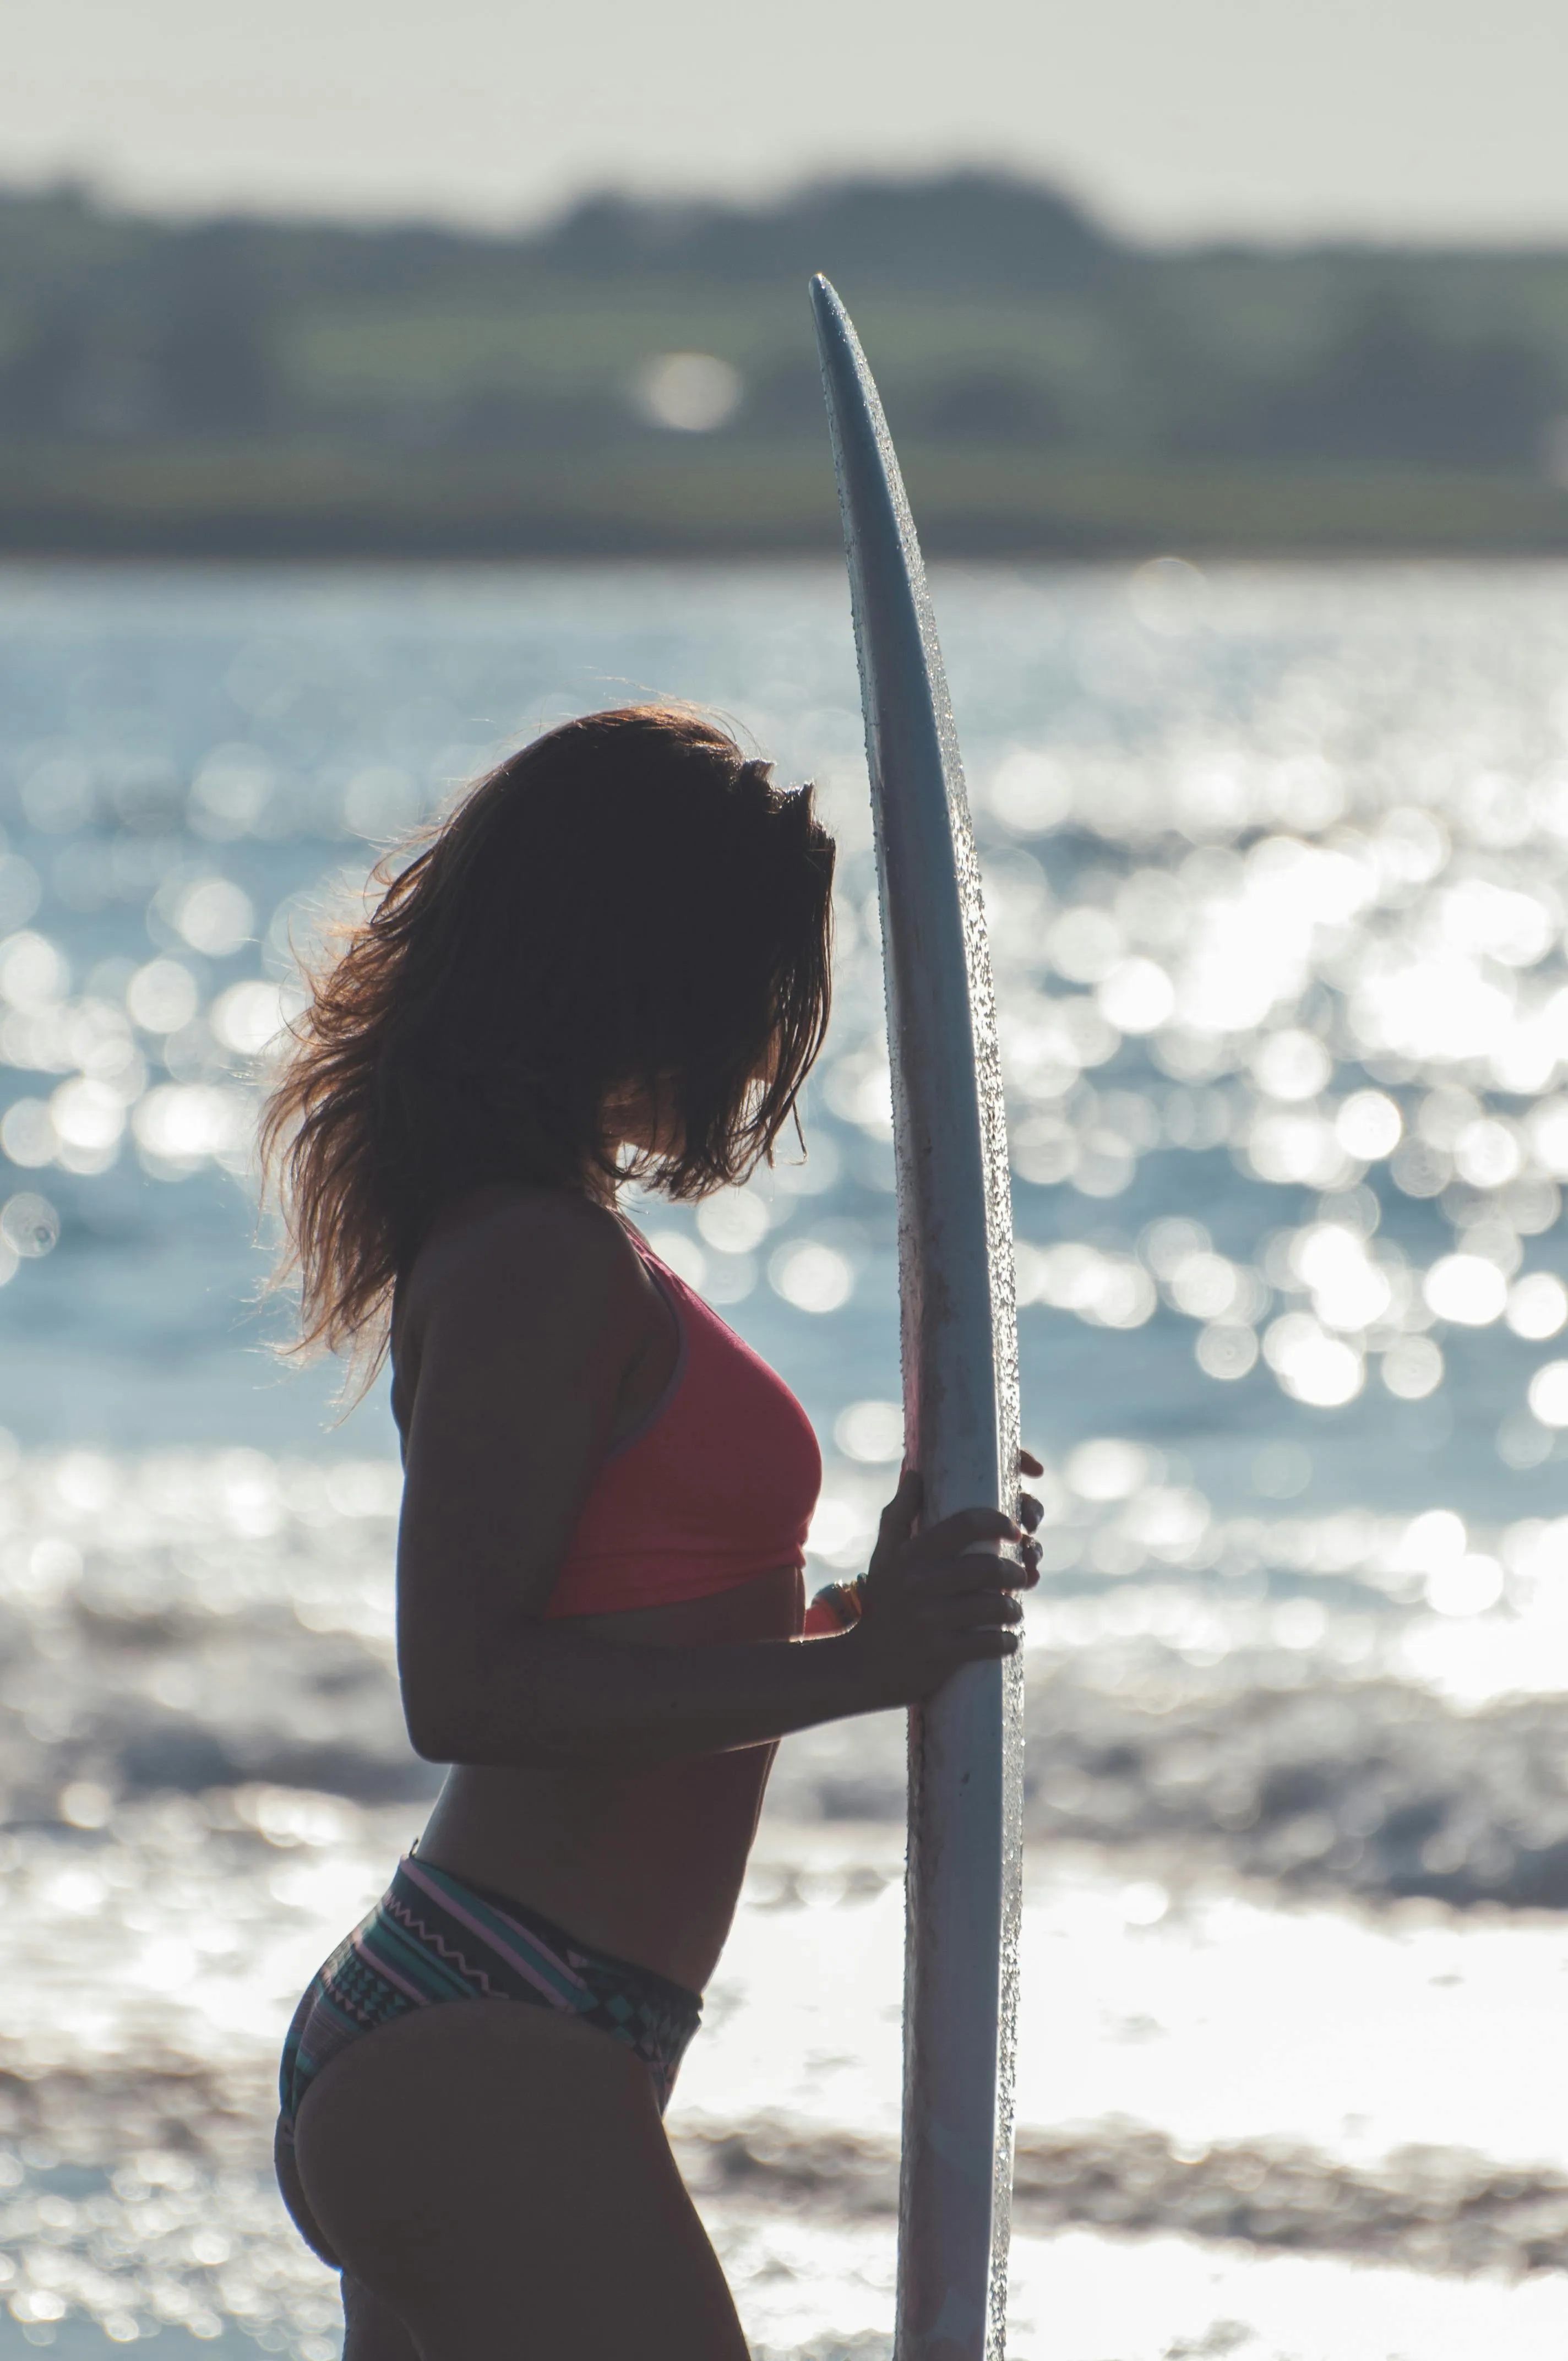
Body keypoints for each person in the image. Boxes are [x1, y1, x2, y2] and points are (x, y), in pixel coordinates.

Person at [261, 705, 1040, 2359]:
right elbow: (468, 1690)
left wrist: (858, 1620)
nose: (767, 1052)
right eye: (760, 991)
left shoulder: (558, 1243)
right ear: (641, 970)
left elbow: (633, 1630)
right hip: (485, 2034)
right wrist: (863, 1674)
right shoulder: (536, 1263)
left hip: (505, 2034)